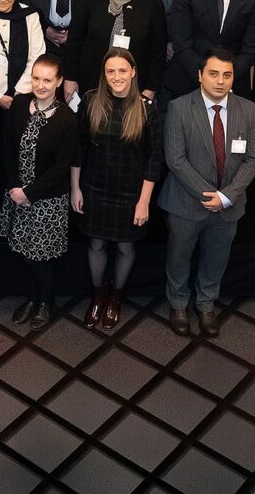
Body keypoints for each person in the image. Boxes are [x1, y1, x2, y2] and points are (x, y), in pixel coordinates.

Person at [159, 48, 255, 337]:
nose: (220, 81)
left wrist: (226, 197)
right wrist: (209, 196)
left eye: (227, 75)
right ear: (200, 76)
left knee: (216, 258)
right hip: (185, 203)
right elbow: (175, 160)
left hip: (229, 204)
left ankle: (206, 304)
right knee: (179, 257)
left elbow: (253, 159)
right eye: (214, 74)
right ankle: (178, 303)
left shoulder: (247, 109)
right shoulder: (179, 108)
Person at [73, 47, 161, 327]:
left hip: (131, 193)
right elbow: (78, 150)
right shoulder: (89, 101)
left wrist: (144, 202)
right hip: (95, 187)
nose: (116, 77)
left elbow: (153, 158)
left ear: (133, 72)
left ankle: (116, 297)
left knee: (125, 247)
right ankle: (98, 296)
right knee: (96, 244)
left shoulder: (147, 108)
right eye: (110, 71)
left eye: (122, 70)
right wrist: (75, 189)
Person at [0, 54, 78, 330]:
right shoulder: (20, 104)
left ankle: (46, 302)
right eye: (36, 78)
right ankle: (31, 299)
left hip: (46, 200)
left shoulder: (67, 119)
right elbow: (7, 147)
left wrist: (29, 193)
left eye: (47, 80)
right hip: (16, 194)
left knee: (39, 257)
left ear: (58, 82)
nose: (40, 85)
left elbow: (61, 168)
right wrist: (13, 187)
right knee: (23, 252)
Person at [65, 0, 167, 99]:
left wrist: (150, 89)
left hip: (136, 89)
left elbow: (158, 51)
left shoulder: (152, 0)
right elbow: (74, 40)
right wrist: (70, 78)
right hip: (92, 85)